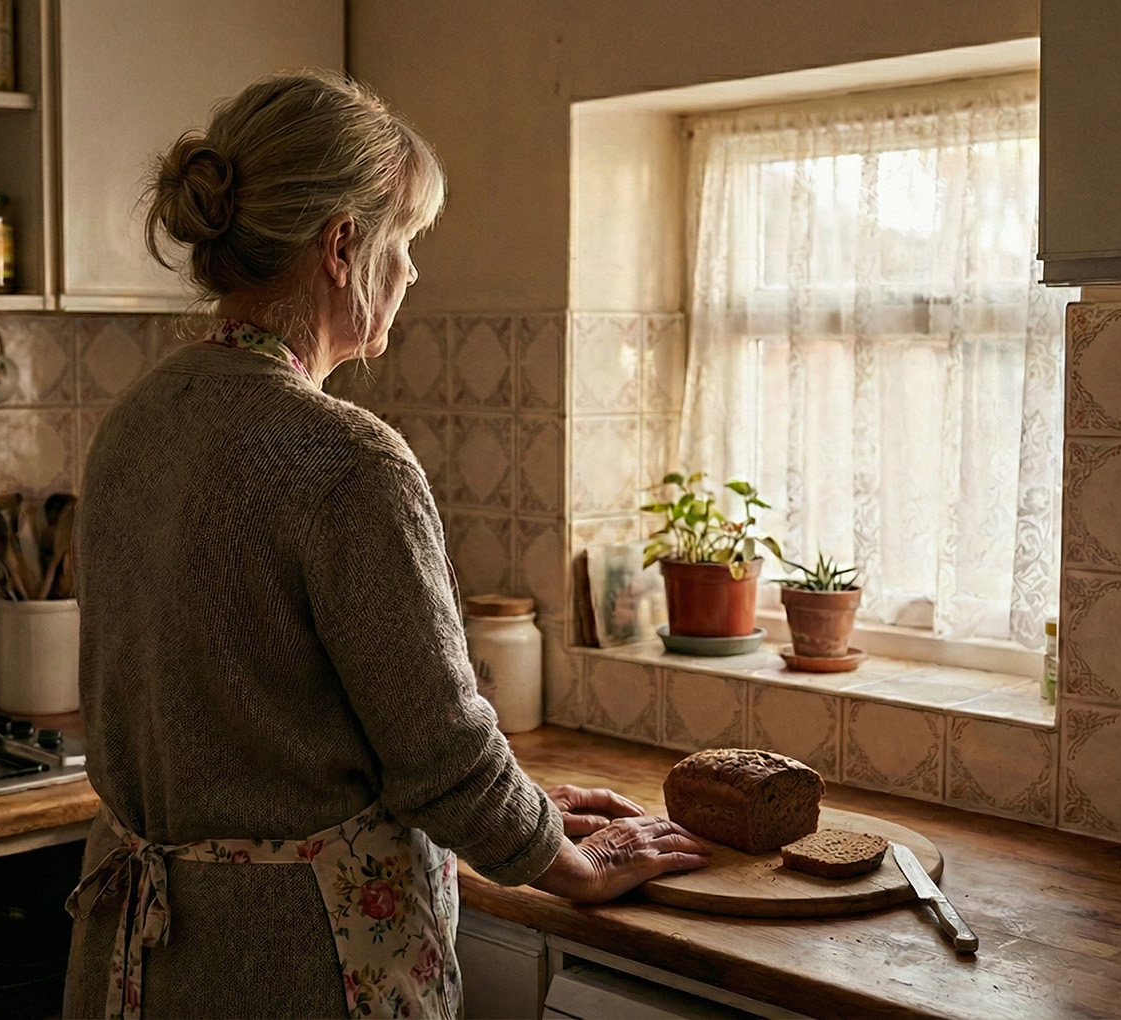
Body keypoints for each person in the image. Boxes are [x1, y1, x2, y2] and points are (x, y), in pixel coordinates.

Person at [66, 70, 708, 1020]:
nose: (410, 272)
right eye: (404, 242)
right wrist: (566, 862)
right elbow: (439, 751)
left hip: (139, 961)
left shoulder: (136, 422)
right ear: (342, 246)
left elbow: (288, 720)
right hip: (292, 966)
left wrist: (525, 806)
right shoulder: (348, 459)